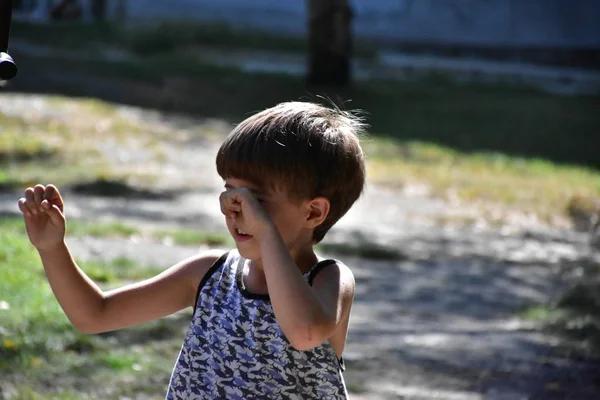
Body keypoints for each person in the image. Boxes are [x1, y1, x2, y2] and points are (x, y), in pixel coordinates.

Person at [18, 101, 367, 399]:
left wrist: (265, 232)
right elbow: (94, 315)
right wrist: (52, 248)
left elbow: (304, 332)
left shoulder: (328, 280)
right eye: (230, 192)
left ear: (313, 212)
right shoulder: (208, 275)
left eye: (255, 200)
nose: (234, 210)